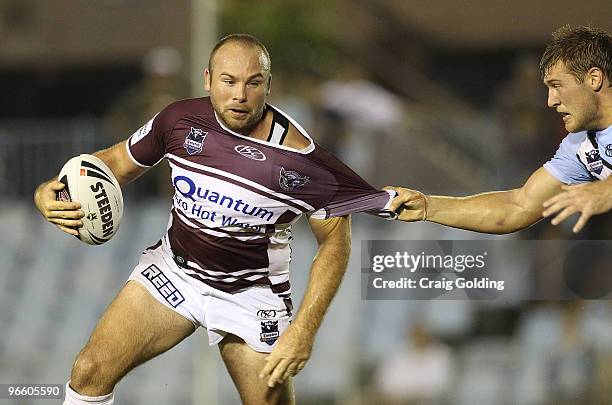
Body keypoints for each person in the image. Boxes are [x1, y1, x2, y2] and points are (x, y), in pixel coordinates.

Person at [33, 34, 395, 405]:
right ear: (208, 79)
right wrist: (50, 189)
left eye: (253, 83)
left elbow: (335, 241)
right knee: (89, 372)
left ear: (268, 86)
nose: (240, 95)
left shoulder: (300, 159)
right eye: (228, 81)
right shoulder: (177, 120)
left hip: (251, 295)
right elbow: (114, 164)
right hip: (174, 272)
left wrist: (304, 329)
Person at [387, 25, 612, 235]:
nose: (550, 101)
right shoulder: (579, 146)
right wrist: (428, 206)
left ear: (594, 79)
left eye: (557, 86)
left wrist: (605, 190)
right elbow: (518, 206)